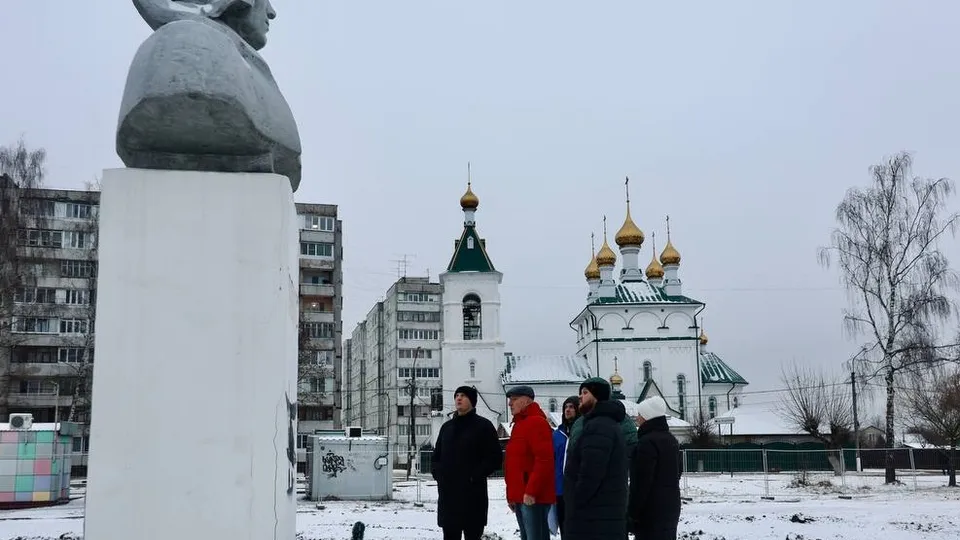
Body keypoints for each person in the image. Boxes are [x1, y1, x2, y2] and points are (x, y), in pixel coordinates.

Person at [431, 386, 504, 540]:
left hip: (473, 495)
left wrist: (475, 476)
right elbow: (436, 456)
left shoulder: (483, 426)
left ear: (472, 401)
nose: (458, 398)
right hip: (448, 496)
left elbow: (495, 458)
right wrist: (439, 474)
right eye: (457, 395)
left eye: (463, 395)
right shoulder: (447, 427)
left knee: (473, 534)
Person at [562, 378, 628, 540]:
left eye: (585, 393)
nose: (580, 397)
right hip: (600, 514)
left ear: (597, 397)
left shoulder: (599, 426)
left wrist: (575, 501)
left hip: (594, 517)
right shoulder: (603, 423)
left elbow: (591, 473)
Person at [504, 385, 555, 540]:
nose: (510, 404)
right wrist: (511, 495)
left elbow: (544, 460)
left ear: (526, 401)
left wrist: (532, 491)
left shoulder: (537, 422)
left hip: (533, 497)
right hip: (521, 495)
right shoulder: (519, 425)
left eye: (514, 399)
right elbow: (514, 464)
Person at [628, 396, 682, 540]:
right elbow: (678, 471)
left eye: (640, 414)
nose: (637, 418)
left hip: (651, 510)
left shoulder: (646, 442)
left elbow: (641, 482)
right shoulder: (671, 440)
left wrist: (632, 513)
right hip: (671, 506)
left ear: (647, 417)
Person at [552, 396, 580, 536]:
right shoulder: (557, 435)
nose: (568, 410)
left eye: (571, 407)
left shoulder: (583, 431)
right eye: (566, 407)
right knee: (564, 527)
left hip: (578, 489)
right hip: (560, 490)